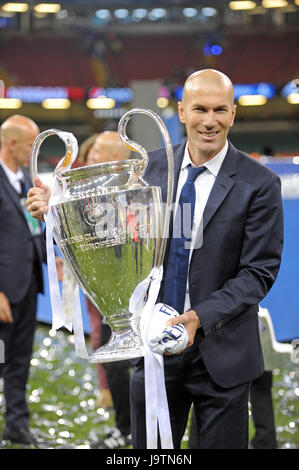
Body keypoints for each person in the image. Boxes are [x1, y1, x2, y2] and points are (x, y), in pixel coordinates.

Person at [130, 69, 284, 449]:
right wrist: (57, 212)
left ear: (233, 113)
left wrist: (200, 317)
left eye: (220, 110)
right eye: (200, 109)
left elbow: (258, 272)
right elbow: (117, 240)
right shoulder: (146, 171)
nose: (209, 121)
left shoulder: (260, 184)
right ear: (182, 111)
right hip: (154, 351)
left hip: (223, 354)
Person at [26, 131, 132, 449]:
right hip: (97, 288)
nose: (94, 157)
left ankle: (139, 426)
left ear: (121, 159)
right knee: (110, 359)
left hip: (132, 293)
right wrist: (53, 216)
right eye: (94, 151)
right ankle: (124, 426)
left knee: (135, 365)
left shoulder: (131, 191)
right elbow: (73, 239)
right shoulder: (78, 189)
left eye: (102, 152)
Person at [0, 115, 53, 446]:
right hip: (4, 292)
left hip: (28, 285)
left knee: (18, 359)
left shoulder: (24, 182)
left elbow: (32, 230)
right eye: (33, 143)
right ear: (13, 144)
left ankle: (16, 423)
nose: (37, 150)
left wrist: (52, 258)